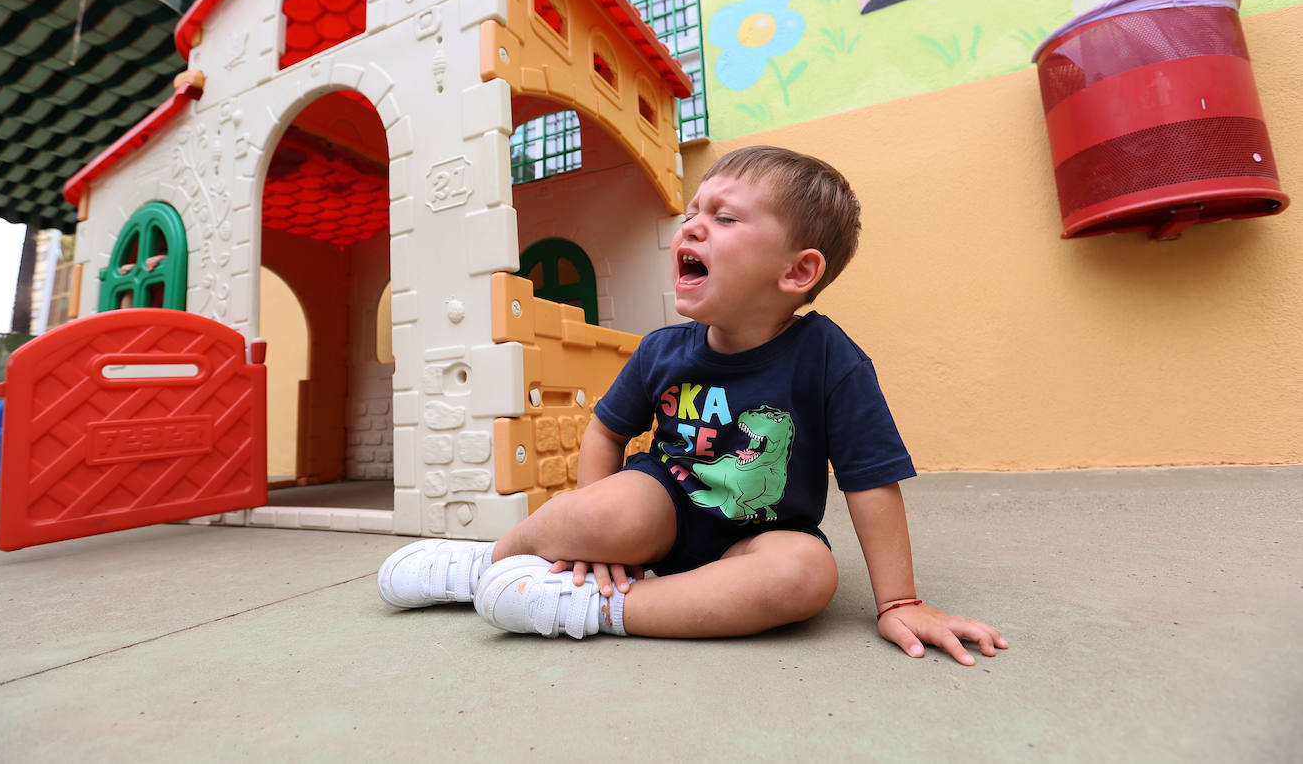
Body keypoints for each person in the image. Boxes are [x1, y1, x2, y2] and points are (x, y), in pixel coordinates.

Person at [377, 145, 1007, 664]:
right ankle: (490, 561)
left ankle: (594, 608)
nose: (693, 226)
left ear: (797, 272)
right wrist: (589, 536)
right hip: (662, 506)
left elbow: (870, 481)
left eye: (725, 218)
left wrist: (899, 601)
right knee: (609, 511)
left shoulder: (830, 359)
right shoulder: (662, 350)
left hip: (759, 536)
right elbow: (605, 432)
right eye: (692, 213)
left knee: (807, 575)